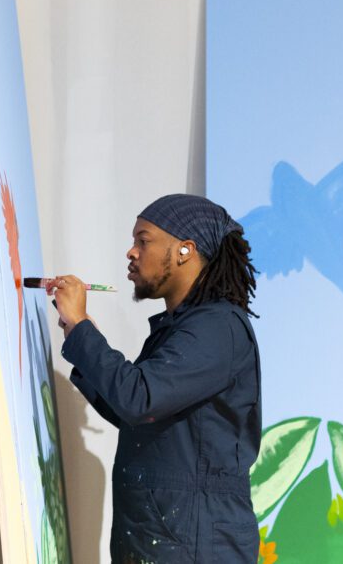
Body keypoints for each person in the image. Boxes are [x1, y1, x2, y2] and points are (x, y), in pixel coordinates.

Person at [48, 193, 262, 564]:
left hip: (194, 549)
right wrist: (80, 340)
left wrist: (84, 330)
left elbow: (139, 398)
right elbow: (136, 416)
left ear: (184, 250)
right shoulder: (185, 328)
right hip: (166, 542)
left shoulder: (216, 327)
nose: (131, 252)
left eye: (143, 240)